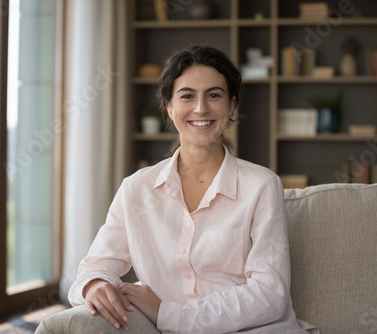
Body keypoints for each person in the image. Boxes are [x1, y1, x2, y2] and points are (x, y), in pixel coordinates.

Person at [36, 45, 318, 334]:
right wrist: (95, 285)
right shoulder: (137, 189)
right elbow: (92, 269)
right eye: (187, 96)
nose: (201, 108)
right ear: (169, 107)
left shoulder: (261, 185)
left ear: (232, 106)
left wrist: (169, 314)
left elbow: (270, 295)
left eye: (214, 95)